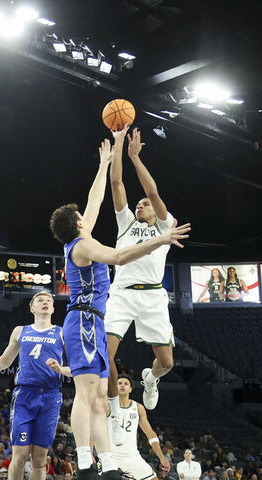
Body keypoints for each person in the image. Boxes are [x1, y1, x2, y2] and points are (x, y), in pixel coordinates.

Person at [48, 137, 190, 480]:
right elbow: (119, 256)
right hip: (87, 316)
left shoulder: (82, 236)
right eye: (83, 216)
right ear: (79, 224)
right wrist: (160, 239)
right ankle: (85, 463)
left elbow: (95, 200)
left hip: (102, 315)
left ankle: (108, 464)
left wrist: (104, 162)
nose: (87, 215)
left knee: (97, 394)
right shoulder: (84, 245)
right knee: (87, 394)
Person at [106, 126, 179, 433]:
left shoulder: (166, 226)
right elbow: (116, 182)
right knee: (103, 354)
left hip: (152, 296)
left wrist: (137, 158)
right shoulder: (125, 223)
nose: (140, 204)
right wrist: (120, 142)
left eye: (144, 205)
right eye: (138, 204)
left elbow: (152, 192)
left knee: (167, 363)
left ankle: (150, 379)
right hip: (121, 293)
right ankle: (112, 407)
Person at [0, 291, 65, 480]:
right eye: (40, 300)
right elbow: (4, 361)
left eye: (48, 301)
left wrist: (63, 369)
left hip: (51, 396)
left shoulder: (61, 332)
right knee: (19, 456)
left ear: (53, 308)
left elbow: (76, 363)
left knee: (39, 458)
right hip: (25, 395)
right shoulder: (21, 330)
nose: (44, 303)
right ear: (32, 308)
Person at [105, 374, 170, 480]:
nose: (122, 385)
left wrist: (162, 458)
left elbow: (150, 434)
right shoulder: (107, 406)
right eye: (119, 383)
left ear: (130, 389)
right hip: (112, 458)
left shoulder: (138, 408)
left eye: (126, 384)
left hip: (133, 458)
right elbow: (95, 431)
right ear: (115, 388)